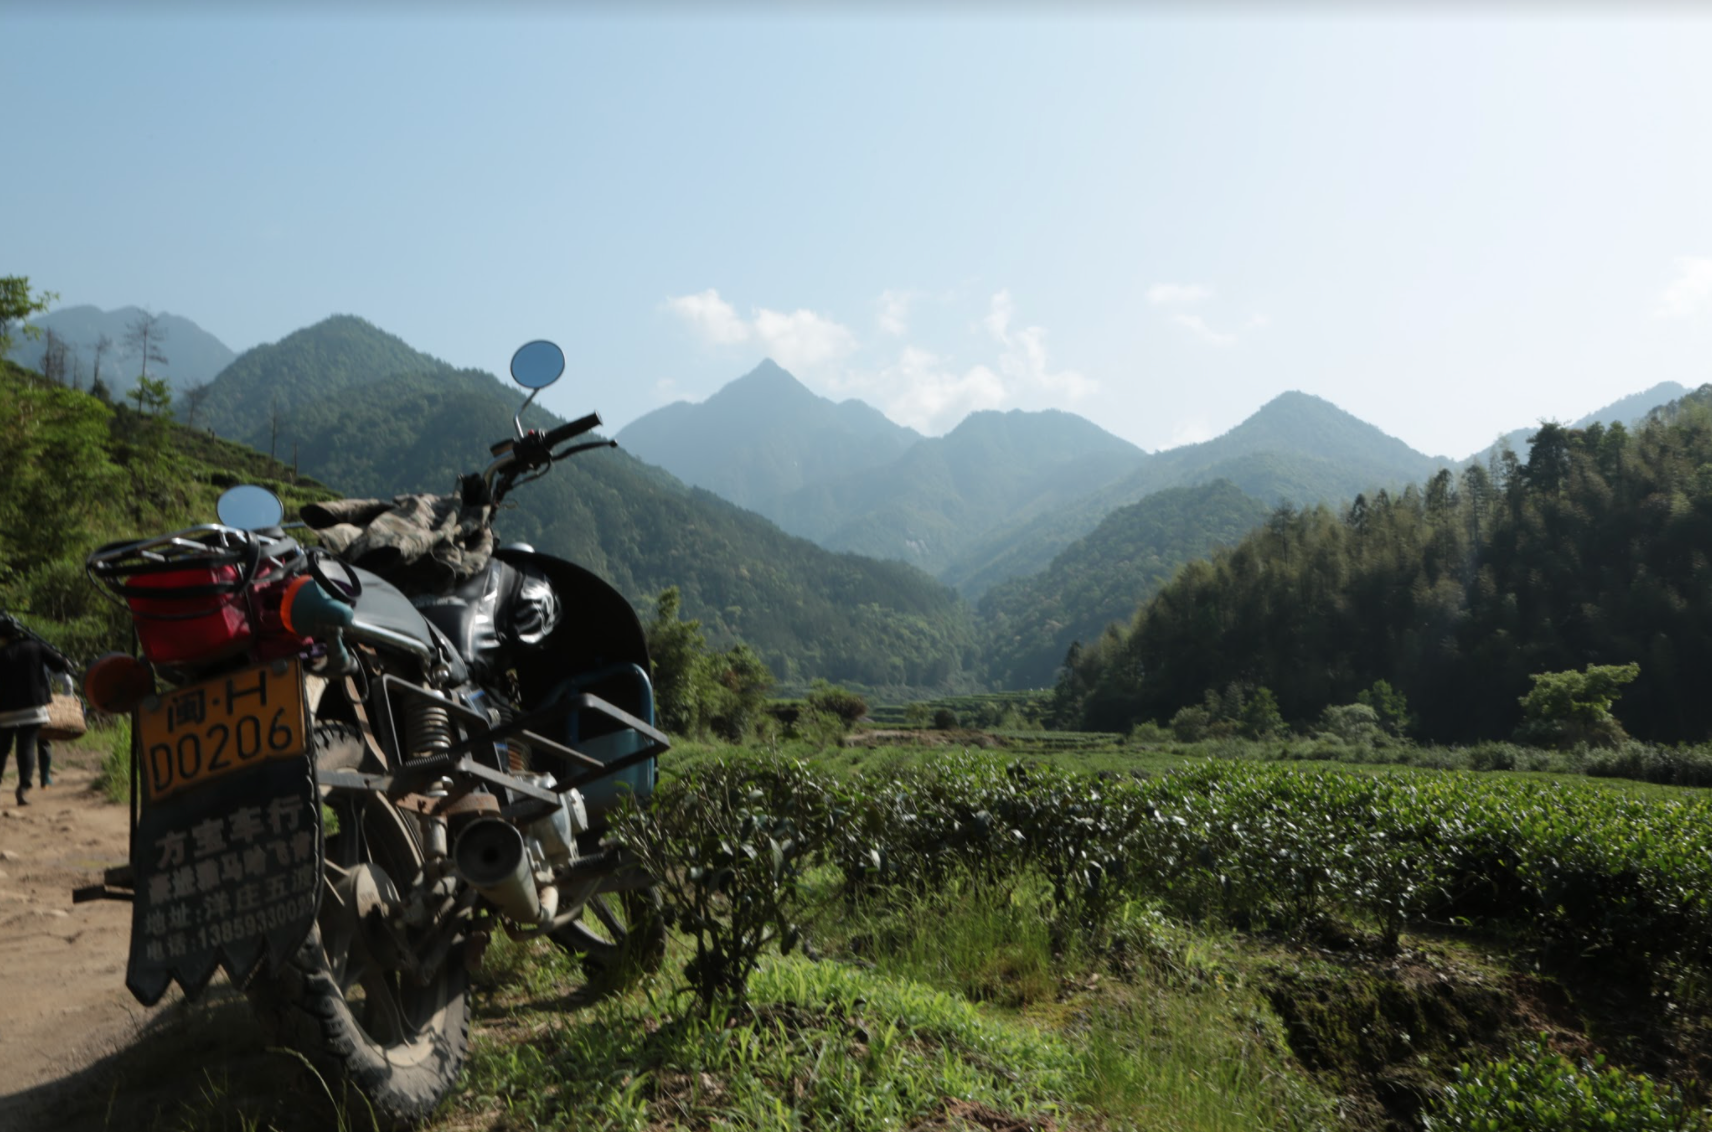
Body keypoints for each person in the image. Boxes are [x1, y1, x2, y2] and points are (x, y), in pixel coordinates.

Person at [0, 614, 75, 806]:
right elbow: (60, 664)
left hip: (4, 710)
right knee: (26, 746)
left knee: (2, 749)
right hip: (32, 707)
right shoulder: (35, 646)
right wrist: (65, 660)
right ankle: (23, 788)